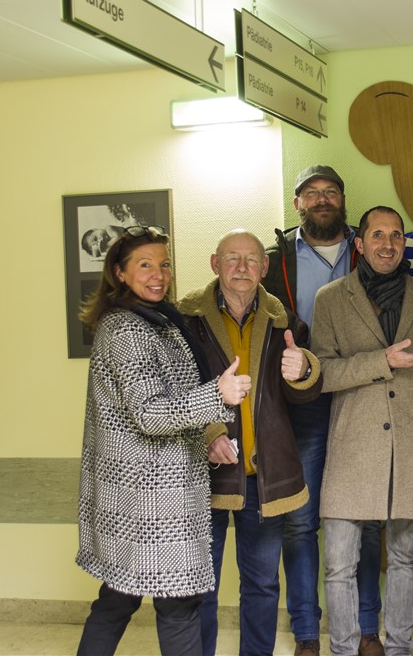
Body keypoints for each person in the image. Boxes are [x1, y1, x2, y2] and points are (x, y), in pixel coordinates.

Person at [75, 226, 250, 656]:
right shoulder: (127, 330)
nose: (159, 274)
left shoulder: (157, 320)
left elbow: (169, 401)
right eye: (145, 265)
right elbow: (151, 412)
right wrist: (218, 396)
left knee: (119, 598)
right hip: (148, 498)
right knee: (177, 606)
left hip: (145, 496)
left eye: (164, 264)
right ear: (119, 273)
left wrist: (205, 435)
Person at [312, 206, 413, 656]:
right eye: (378, 235)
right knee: (338, 565)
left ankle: (399, 648)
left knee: (403, 557)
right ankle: (343, 649)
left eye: (396, 236)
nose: (388, 244)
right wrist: (383, 362)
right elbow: (322, 374)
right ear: (360, 243)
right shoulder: (330, 299)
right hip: (352, 448)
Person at [177, 230, 323, 656]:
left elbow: (303, 395)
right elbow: (175, 390)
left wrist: (304, 369)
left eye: (251, 260)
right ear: (214, 263)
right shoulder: (186, 321)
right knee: (198, 585)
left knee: (261, 585)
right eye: (232, 258)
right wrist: (211, 434)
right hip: (202, 478)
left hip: (265, 477)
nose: (242, 268)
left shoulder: (286, 323)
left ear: (264, 267)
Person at [263, 165, 383, 656]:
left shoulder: (371, 248)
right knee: (301, 521)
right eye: (311, 193)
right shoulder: (276, 261)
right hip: (304, 405)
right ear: (297, 204)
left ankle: (368, 627)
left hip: (361, 398)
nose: (322, 199)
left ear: (343, 199)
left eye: (330, 191)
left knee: (370, 517)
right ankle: (308, 635)